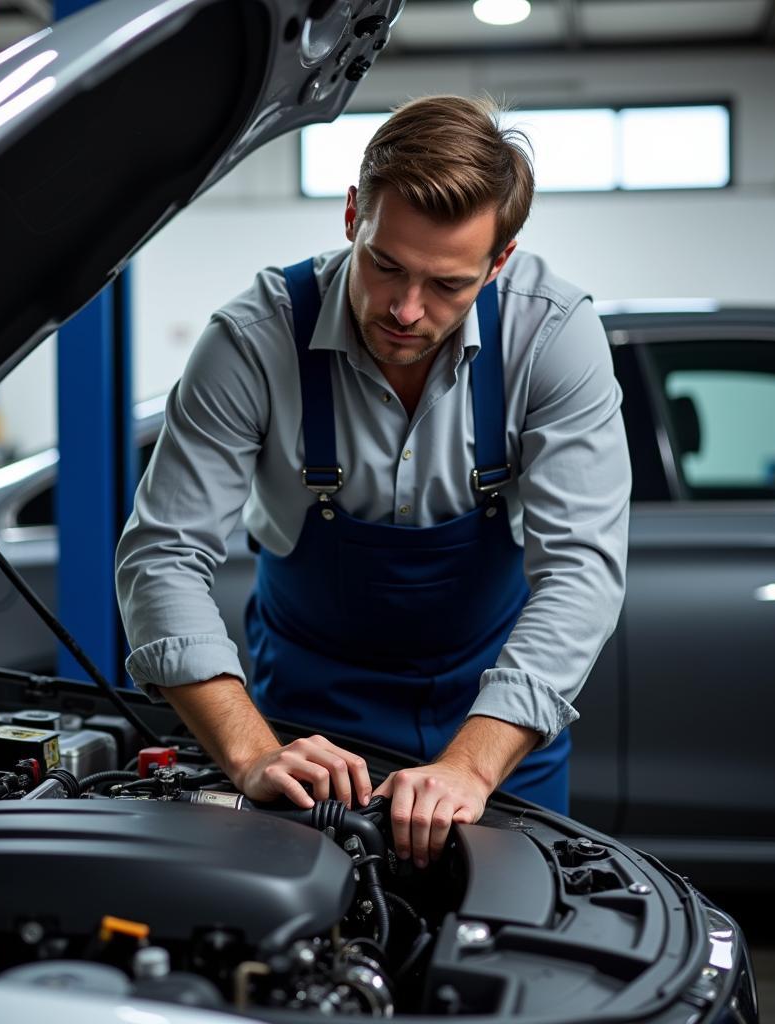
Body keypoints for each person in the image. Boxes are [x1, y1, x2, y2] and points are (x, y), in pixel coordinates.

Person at [116, 95, 631, 869]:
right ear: (354, 211)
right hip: (307, 729)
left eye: (449, 285)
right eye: (385, 263)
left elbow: (580, 570)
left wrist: (472, 764)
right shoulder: (255, 341)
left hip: (493, 726)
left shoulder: (552, 335)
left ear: (500, 261)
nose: (405, 309)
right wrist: (252, 752)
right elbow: (163, 555)